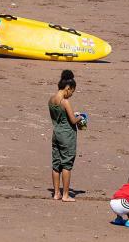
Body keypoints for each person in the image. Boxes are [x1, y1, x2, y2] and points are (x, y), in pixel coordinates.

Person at [49, 69, 83, 201]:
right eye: (72, 92)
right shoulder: (65, 102)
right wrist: (80, 117)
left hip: (56, 133)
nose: (71, 94)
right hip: (67, 136)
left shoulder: (51, 100)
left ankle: (56, 193)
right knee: (66, 165)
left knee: (56, 164)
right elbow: (73, 120)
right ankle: (65, 195)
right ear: (68, 88)